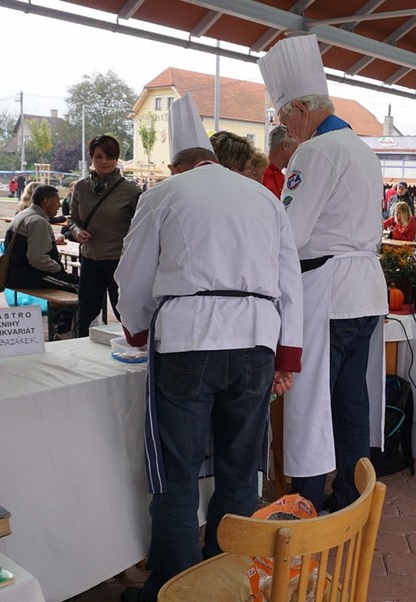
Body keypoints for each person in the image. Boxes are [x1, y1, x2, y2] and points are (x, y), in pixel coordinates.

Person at [115, 145, 304, 602]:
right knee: (240, 467)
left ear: (180, 166)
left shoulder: (164, 194)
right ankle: (229, 579)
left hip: (187, 337)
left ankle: (174, 587)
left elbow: (132, 275)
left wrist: (137, 331)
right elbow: (289, 280)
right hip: (255, 338)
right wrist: (288, 354)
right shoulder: (264, 198)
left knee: (176, 471)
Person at [260, 34, 388, 512]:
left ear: (300, 108)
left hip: (328, 292)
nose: (285, 128)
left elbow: (290, 233)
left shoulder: (314, 152)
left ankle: (307, 502)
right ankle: (352, 498)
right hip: (364, 291)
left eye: (283, 118)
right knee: (351, 402)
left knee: (312, 403)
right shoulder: (361, 149)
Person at [70, 135, 141, 337]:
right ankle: (81, 350)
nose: (104, 162)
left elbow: (143, 224)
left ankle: (133, 349)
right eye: (98, 156)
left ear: (116, 158)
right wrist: (76, 231)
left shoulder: (130, 190)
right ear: (91, 157)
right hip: (89, 259)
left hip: (118, 262)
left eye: (109, 157)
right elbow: (73, 219)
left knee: (124, 313)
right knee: (86, 314)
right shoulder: (81, 187)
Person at [3, 184, 78, 294]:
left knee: (79, 281)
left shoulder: (24, 215)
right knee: (82, 287)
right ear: (46, 202)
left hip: (17, 274)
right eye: (57, 201)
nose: (60, 205)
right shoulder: (38, 221)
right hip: (30, 276)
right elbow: (37, 259)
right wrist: (58, 268)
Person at [263, 125, 298, 198]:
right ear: (285, 145)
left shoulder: (285, 178)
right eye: (296, 149)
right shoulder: (258, 175)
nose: (297, 154)